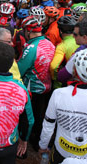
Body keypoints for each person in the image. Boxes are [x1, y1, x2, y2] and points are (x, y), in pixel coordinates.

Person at [39, 50, 87, 163]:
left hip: (61, 152)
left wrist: (43, 146)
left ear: (74, 71)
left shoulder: (58, 94)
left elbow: (48, 125)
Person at [17, 15, 55, 150]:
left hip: (32, 88)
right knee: (39, 115)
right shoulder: (49, 43)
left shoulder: (31, 48)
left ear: (28, 30)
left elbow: (19, 70)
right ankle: (37, 141)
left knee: (28, 118)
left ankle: (24, 145)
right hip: (46, 86)